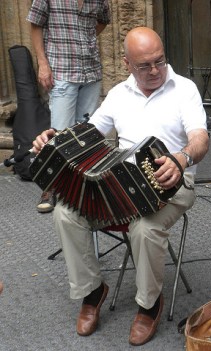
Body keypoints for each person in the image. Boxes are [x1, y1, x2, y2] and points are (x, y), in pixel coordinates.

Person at [32, 27, 209, 346]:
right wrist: (54, 140)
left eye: (160, 61)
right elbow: (88, 136)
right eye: (145, 65)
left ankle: (149, 304)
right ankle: (92, 292)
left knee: (144, 227)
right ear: (127, 63)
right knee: (64, 214)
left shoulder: (184, 89)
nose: (155, 70)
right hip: (119, 183)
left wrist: (181, 159)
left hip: (171, 180)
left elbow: (201, 139)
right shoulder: (117, 94)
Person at [27, 0, 111, 213]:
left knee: (86, 135)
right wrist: (43, 63)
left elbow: (103, 20)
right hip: (62, 70)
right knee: (59, 134)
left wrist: (85, 37)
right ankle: (51, 186)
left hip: (91, 70)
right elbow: (35, 23)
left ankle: (83, 186)